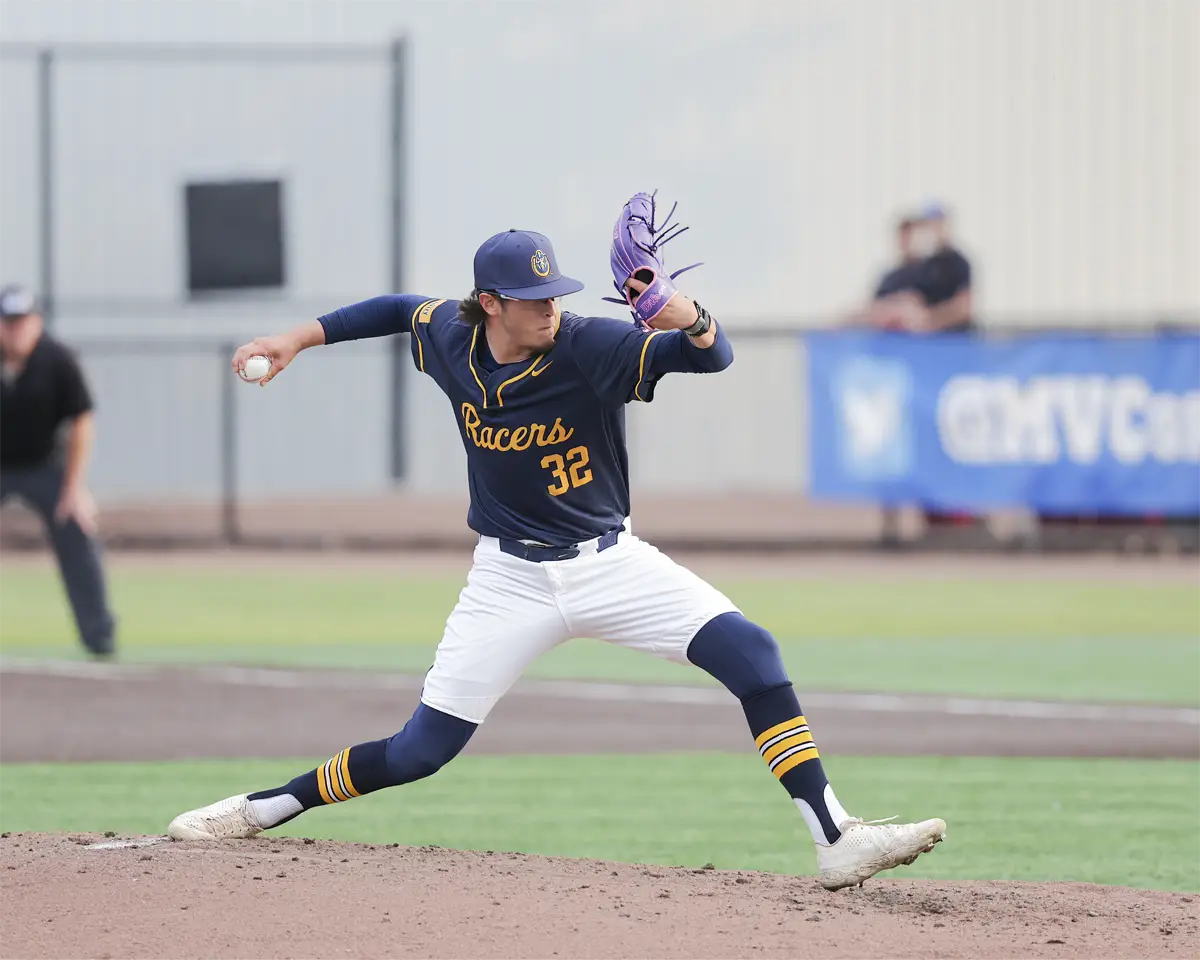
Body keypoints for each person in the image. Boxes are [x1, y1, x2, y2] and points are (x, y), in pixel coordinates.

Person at [165, 225, 945, 890]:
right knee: (418, 752)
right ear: (490, 305)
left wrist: (693, 317)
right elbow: (398, 310)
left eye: (556, 294)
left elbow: (711, 359)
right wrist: (299, 337)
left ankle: (834, 838)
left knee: (753, 653)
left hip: (611, 563)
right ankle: (265, 808)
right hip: (508, 579)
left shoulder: (590, 346)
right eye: (534, 299)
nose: (551, 308)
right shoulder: (450, 337)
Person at [0, 284, 117, 657]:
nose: (14, 329)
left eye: (21, 321)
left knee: (77, 528)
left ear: (37, 322)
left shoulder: (57, 360)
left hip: (43, 465)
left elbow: (81, 423)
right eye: (7, 322)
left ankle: (99, 636)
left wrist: (74, 488)